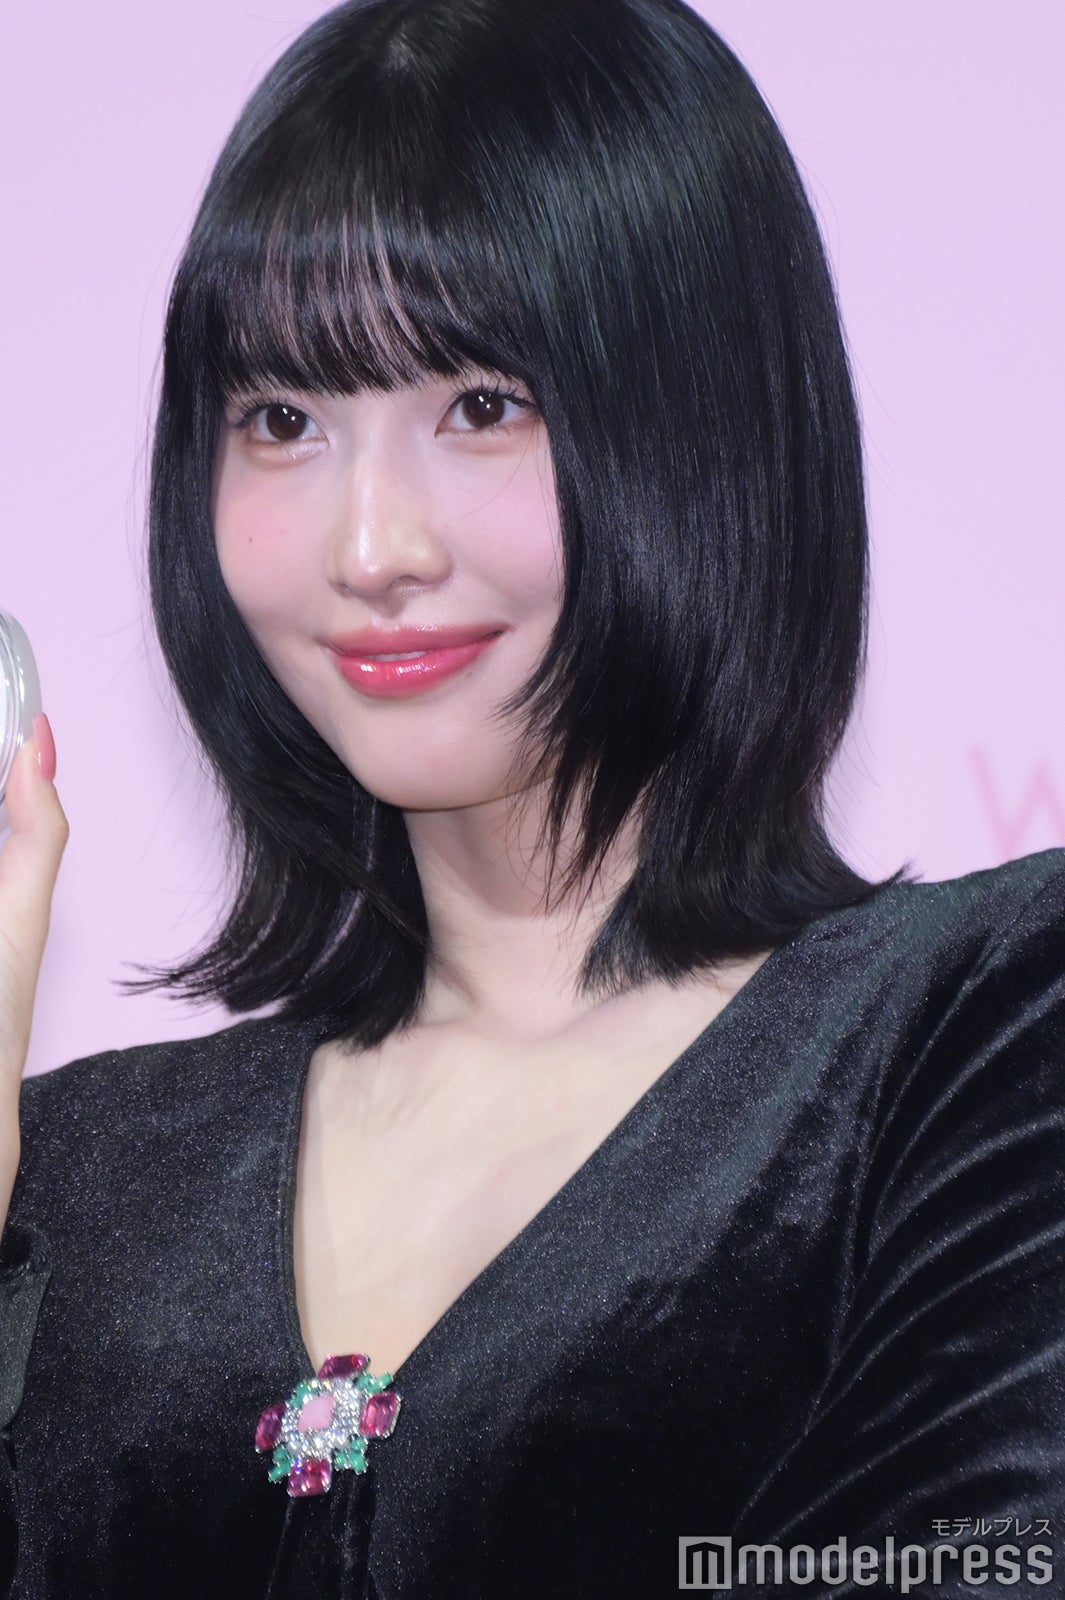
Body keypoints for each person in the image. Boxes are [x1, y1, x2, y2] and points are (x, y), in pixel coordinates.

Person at [1, 0, 1063, 1595]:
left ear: (710, 428)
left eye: (481, 406)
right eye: (281, 421)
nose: (372, 548)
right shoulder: (74, 1169)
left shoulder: (972, 1031)